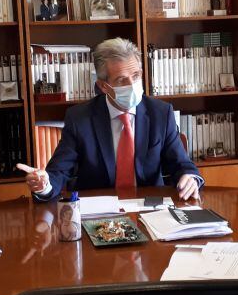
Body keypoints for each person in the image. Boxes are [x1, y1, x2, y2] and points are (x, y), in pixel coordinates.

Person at [21, 38, 202, 201]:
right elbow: (58, 172)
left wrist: (189, 178)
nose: (132, 85)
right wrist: (44, 186)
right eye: (122, 80)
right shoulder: (80, 118)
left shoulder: (161, 113)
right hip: (99, 212)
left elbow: (182, 164)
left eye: (136, 76)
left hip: (149, 208)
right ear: (103, 86)